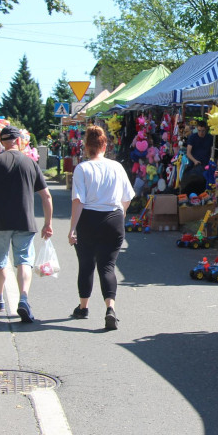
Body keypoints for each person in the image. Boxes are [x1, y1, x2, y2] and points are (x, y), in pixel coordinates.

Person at [0, 126, 53, 323]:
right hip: (25, 220)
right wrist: (48, 223)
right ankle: (24, 299)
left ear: (1, 142)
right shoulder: (30, 163)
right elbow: (46, 196)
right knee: (24, 260)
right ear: (20, 141)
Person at [69, 125, 135, 330]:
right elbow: (128, 197)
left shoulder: (82, 168)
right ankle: (110, 308)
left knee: (86, 264)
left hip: (88, 219)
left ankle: (83, 307)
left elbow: (78, 201)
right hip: (113, 219)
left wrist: (72, 228)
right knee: (107, 266)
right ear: (105, 145)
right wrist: (120, 215)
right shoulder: (117, 167)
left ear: (86, 147)